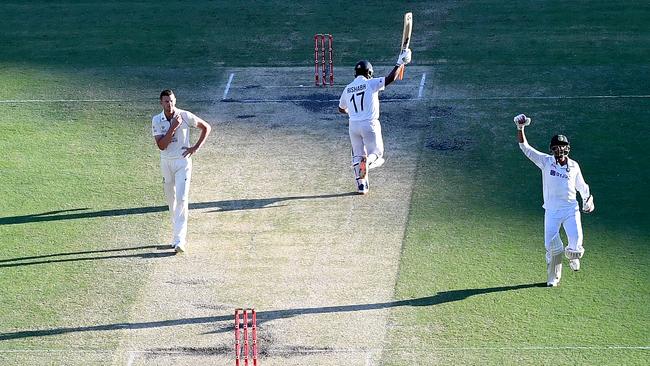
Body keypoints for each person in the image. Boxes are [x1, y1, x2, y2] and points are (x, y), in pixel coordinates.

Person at [514, 113, 594, 287]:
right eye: (556, 147)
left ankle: (573, 257)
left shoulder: (574, 166)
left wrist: (587, 200)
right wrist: (521, 128)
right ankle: (553, 277)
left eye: (562, 146)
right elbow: (525, 147)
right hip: (551, 211)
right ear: (551, 149)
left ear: (568, 148)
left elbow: (582, 186)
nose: (559, 150)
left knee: (576, 243)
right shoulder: (546, 162)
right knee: (552, 248)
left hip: (571, 210)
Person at [338, 48, 412, 194]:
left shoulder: (347, 89)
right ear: (369, 73)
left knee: (357, 154)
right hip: (369, 124)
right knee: (377, 153)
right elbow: (390, 79)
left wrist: (351, 112)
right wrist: (400, 62)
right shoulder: (371, 83)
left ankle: (362, 186)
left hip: (353, 126)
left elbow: (341, 108)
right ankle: (368, 162)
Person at [152, 89, 211, 253]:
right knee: (171, 201)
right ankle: (175, 235)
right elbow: (161, 146)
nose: (169, 104)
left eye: (171, 101)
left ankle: (180, 240)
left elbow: (206, 127)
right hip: (166, 163)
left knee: (182, 199)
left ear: (175, 100)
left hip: (183, 163)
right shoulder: (157, 120)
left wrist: (196, 147)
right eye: (165, 101)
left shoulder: (185, 116)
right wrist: (173, 127)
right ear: (161, 103)